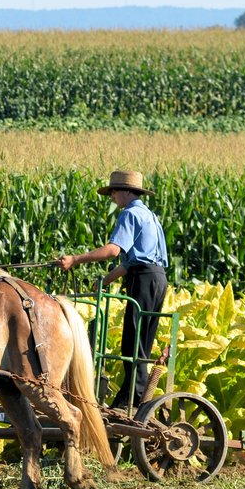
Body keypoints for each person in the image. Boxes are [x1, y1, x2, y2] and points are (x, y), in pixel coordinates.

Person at [56, 170, 169, 411]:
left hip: (143, 279)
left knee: (132, 343)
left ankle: (133, 397)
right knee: (141, 341)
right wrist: (106, 280)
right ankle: (132, 394)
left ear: (127, 192)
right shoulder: (149, 215)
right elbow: (132, 262)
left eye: (114, 192)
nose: (112, 197)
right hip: (156, 278)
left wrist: (75, 259)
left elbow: (113, 251)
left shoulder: (129, 214)